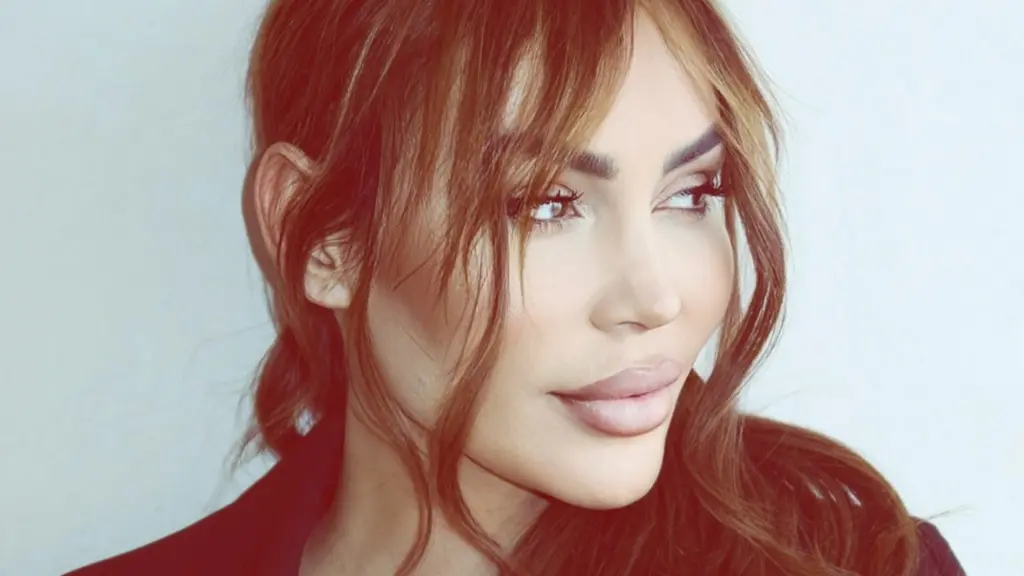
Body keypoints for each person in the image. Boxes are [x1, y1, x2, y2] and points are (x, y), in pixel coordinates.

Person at [67, 1, 967, 575]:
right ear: (327, 236)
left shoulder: (857, 563)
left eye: (692, 194)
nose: (654, 299)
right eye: (545, 205)